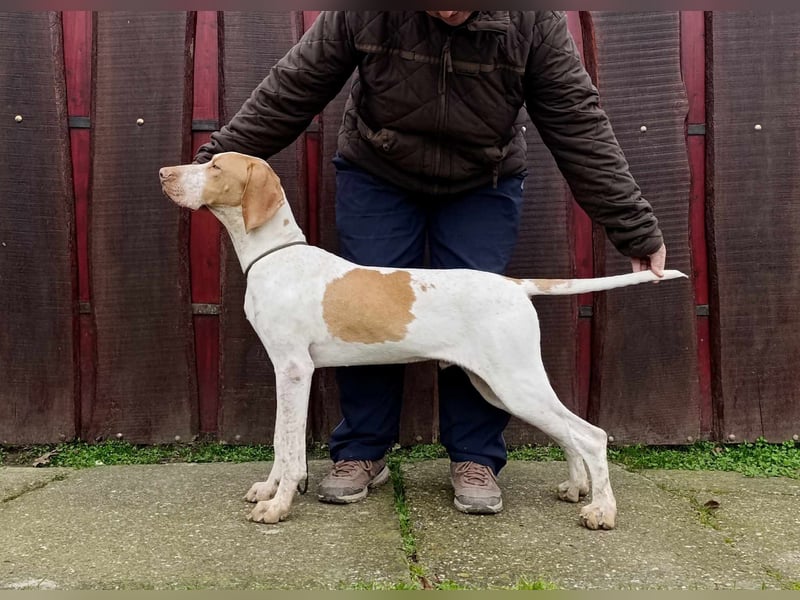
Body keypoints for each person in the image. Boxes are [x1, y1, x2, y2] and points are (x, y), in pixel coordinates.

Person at [194, 11, 667, 515]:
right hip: (378, 170)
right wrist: (211, 167)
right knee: (355, 318)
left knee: (480, 328)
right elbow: (292, 87)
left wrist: (632, 227)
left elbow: (577, 121)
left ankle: (476, 457)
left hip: (482, 180)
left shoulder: (533, 20)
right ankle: (360, 451)